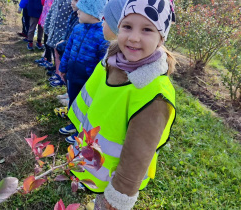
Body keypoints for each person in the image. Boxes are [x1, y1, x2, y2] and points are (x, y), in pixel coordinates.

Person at [67, 0, 177, 209]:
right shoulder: (113, 61)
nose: (134, 37)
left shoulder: (154, 95)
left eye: (146, 29)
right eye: (127, 26)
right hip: (95, 162)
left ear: (161, 37)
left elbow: (138, 155)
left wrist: (118, 195)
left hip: (116, 183)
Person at [58, 0, 109, 143]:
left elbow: (102, 62)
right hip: (72, 74)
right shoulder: (77, 28)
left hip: (88, 79)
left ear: (92, 13)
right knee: (73, 99)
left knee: (85, 106)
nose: (77, 11)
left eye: (82, 9)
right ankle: (73, 123)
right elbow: (68, 49)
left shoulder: (102, 35)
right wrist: (63, 68)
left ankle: (82, 131)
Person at [48, 0, 80, 86]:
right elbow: (68, 29)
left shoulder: (80, 18)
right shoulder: (73, 15)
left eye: (76, 1)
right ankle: (58, 74)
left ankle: (63, 80)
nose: (72, 2)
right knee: (58, 54)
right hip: (64, 40)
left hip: (69, 44)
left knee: (66, 62)